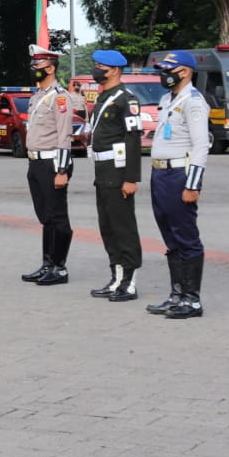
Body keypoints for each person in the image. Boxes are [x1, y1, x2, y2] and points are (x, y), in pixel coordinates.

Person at [147, 50, 211, 319]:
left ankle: (192, 300)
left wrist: (193, 186)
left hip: (179, 176)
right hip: (160, 174)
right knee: (170, 237)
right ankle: (176, 295)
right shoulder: (167, 98)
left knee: (187, 238)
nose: (164, 74)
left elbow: (201, 146)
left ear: (184, 71)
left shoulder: (194, 102)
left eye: (168, 69)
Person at [85, 49, 143, 301]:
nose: (97, 70)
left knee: (123, 227)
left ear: (115, 70)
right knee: (107, 227)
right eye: (96, 65)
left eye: (102, 67)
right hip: (102, 170)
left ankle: (129, 282)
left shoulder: (125, 99)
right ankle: (116, 277)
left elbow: (133, 140)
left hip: (119, 172)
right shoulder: (103, 97)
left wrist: (131, 178)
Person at [20, 44, 75, 285]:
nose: (34, 69)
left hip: (53, 163)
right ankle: (47, 263)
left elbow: (64, 136)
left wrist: (62, 170)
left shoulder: (60, 97)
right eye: (33, 65)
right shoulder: (37, 96)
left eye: (39, 66)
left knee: (57, 216)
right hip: (36, 163)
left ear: (51, 68)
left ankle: (59, 268)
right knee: (45, 216)